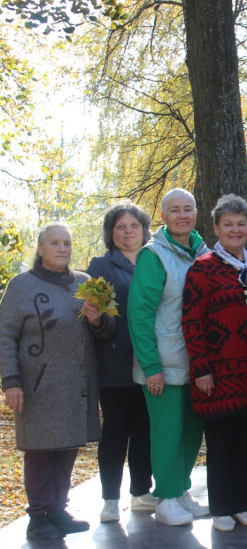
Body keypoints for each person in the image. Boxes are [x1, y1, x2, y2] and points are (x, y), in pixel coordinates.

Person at [0, 224, 113, 540]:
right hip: (37, 385)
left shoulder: (86, 283)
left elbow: (107, 332)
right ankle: (38, 516)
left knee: (67, 447)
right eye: (54, 243)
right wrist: (11, 381)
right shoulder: (20, 286)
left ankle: (58, 510)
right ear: (40, 249)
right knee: (39, 450)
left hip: (77, 384)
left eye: (67, 243)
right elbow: (5, 336)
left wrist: (98, 319)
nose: (62, 248)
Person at [182, 194, 247, 532]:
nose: (235, 230)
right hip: (218, 372)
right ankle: (222, 508)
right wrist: (201, 368)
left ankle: (244, 504)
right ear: (215, 228)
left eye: (240, 224)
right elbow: (191, 322)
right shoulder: (202, 268)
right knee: (220, 444)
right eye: (228, 224)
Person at [128, 188, 210, 526]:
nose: (182, 215)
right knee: (167, 433)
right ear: (163, 217)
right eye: (174, 210)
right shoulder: (154, 256)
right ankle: (164, 498)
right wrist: (151, 367)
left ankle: (179, 491)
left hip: (198, 364)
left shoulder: (203, 252)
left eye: (187, 209)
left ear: (195, 214)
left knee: (191, 432)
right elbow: (139, 314)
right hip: (163, 365)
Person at [87, 203, 156, 523]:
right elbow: (97, 322)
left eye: (134, 225)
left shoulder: (154, 259)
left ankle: (142, 492)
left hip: (152, 362)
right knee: (116, 431)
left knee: (145, 429)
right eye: (120, 227)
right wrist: (100, 323)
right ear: (111, 233)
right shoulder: (100, 266)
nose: (128, 231)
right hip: (115, 362)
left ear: (144, 229)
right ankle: (110, 499)